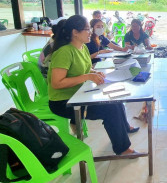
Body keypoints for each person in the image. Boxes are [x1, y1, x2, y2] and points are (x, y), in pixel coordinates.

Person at [48, 15, 139, 156]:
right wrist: (88, 76)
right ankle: (122, 149)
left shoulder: (82, 47)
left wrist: (94, 72)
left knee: (116, 99)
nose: (90, 32)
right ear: (75, 32)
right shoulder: (64, 52)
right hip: (64, 102)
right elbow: (57, 82)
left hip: (80, 94)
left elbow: (83, 68)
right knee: (110, 110)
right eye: (86, 29)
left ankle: (124, 128)